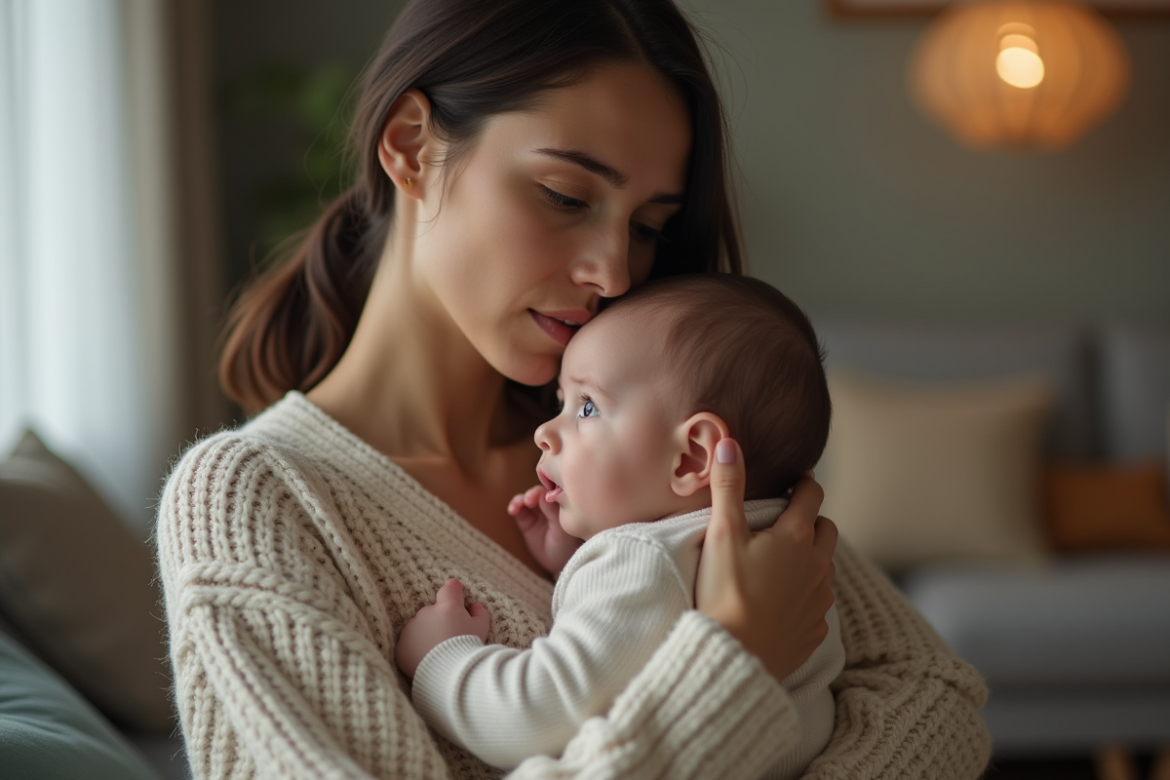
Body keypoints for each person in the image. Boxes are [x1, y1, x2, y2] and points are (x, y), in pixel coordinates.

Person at [155, 0, 992, 778]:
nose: (614, 271)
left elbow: (939, 702)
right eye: (565, 196)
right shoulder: (259, 500)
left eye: (649, 227)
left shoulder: (645, 440)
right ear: (411, 146)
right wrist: (734, 665)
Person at [395, 275, 845, 778]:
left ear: (691, 457)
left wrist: (443, 659)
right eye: (561, 402)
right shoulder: (798, 560)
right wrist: (574, 562)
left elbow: (533, 720)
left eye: (587, 407)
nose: (545, 432)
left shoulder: (637, 559)